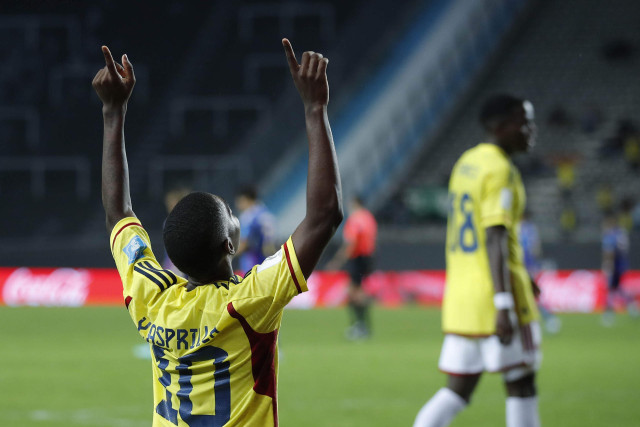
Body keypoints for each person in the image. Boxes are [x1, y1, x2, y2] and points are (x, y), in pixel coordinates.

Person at [93, 39, 342, 426]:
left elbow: (117, 212)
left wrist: (113, 112)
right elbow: (325, 215)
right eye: (230, 213)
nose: (236, 213)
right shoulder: (251, 301)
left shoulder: (150, 298)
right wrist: (315, 108)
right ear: (230, 243)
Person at [414, 95, 542, 427]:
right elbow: (495, 235)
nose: (531, 129)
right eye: (523, 121)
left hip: (462, 298)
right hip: (499, 299)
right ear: (499, 126)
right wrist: (503, 302)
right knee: (521, 383)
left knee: (458, 390)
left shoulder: (466, 163)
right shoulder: (501, 170)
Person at [328, 196, 378, 339]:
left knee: (354, 294)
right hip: (367, 258)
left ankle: (361, 327)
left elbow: (351, 243)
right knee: (357, 292)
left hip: (358, 258)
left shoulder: (355, 220)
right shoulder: (369, 218)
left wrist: (337, 262)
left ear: (354, 203)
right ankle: (362, 327)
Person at [519, 211, 561, 334]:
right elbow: (536, 249)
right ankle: (547, 317)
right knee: (531, 294)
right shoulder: (531, 229)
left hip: (523, 267)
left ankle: (547, 317)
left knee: (529, 294)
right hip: (531, 266)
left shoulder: (518, 228)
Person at [601, 212, 636, 326]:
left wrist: (608, 264)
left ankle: (609, 312)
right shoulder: (621, 233)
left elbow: (609, 252)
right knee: (617, 288)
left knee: (612, 288)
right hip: (622, 264)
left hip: (614, 265)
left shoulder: (610, 235)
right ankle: (632, 306)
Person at [234, 186, 276, 275]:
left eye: (239, 201)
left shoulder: (249, 217)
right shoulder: (264, 213)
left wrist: (228, 255)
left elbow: (244, 244)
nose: (237, 204)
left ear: (245, 199)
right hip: (266, 262)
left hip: (252, 264)